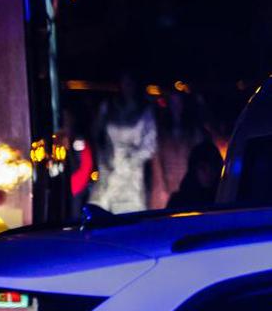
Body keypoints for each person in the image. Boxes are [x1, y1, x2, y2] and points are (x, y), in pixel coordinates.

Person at [87, 74, 158, 215]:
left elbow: (150, 145)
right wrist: (105, 158)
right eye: (124, 82)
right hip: (108, 172)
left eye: (129, 82)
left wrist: (130, 159)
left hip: (132, 176)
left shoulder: (145, 111)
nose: (127, 87)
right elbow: (96, 135)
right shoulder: (108, 108)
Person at [149, 89, 206, 210]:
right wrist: (161, 187)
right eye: (173, 102)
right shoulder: (162, 132)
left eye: (179, 102)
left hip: (188, 186)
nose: (176, 107)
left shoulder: (193, 131)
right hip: (167, 185)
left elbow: (200, 157)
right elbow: (156, 159)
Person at [166, 140, 224, 209]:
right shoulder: (178, 201)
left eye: (213, 167)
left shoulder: (225, 197)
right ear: (194, 170)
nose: (209, 173)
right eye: (202, 168)